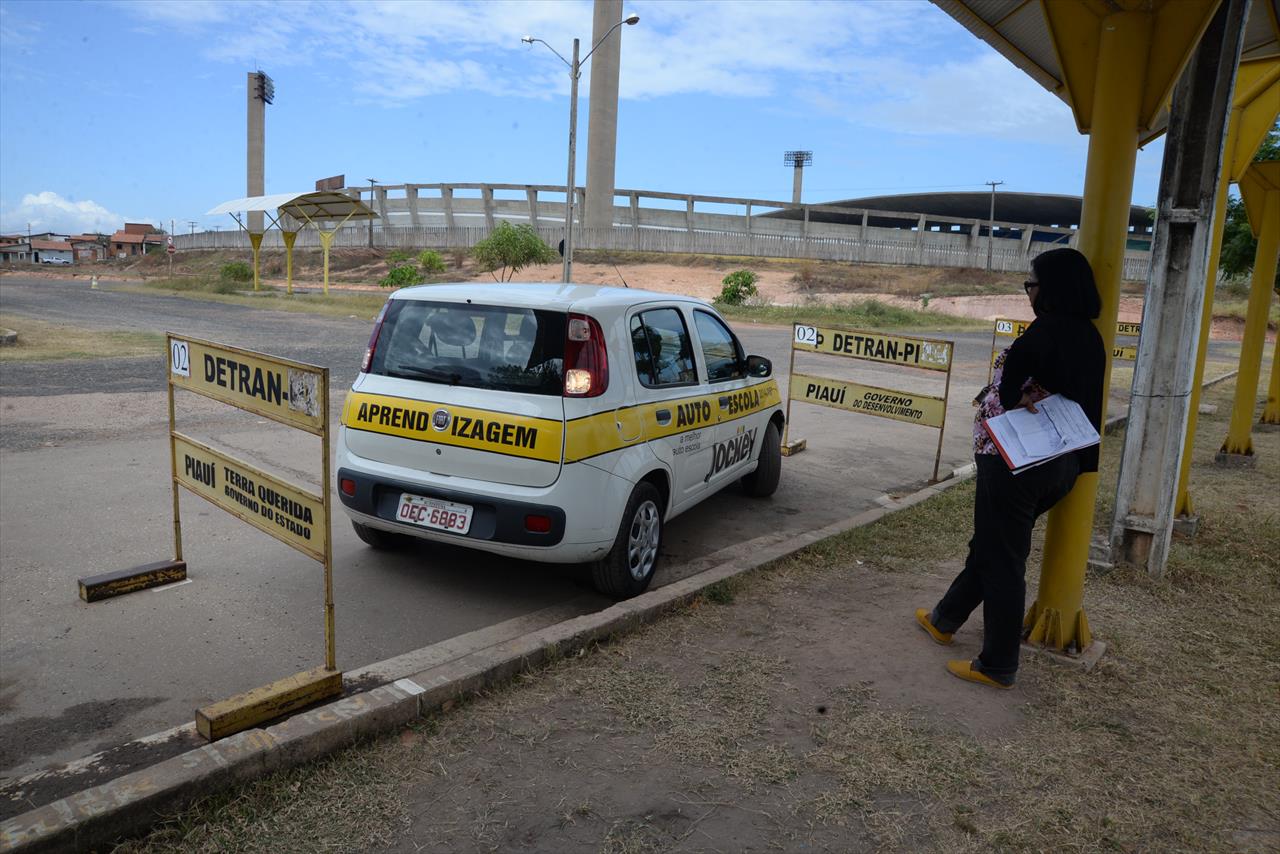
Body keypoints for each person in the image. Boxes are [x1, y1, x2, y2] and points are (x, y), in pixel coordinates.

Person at [915, 247, 1105, 689]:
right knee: (992, 544)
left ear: (1051, 288)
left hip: (1015, 463)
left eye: (1031, 284)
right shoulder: (1089, 337)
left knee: (1002, 558)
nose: (1029, 292)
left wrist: (1013, 393)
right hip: (1061, 466)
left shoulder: (1046, 332)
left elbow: (1012, 380)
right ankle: (945, 618)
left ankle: (998, 665)